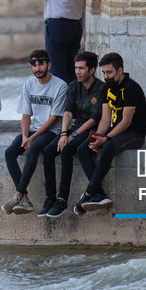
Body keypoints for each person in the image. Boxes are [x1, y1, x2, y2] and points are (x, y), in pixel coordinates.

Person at [73, 52, 146, 215]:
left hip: (133, 134)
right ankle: (99, 194)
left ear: (120, 70)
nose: (106, 76)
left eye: (109, 72)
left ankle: (88, 194)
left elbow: (126, 122)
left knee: (107, 148)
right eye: (104, 73)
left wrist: (106, 139)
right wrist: (97, 138)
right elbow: (105, 119)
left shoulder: (131, 88)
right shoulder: (107, 87)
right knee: (82, 149)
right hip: (115, 132)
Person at [39, 51, 105, 218]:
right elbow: (67, 112)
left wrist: (73, 135)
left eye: (82, 68)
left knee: (68, 150)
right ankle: (50, 199)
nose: (78, 72)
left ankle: (62, 199)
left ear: (92, 70)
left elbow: (95, 118)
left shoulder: (102, 88)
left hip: (92, 129)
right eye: (76, 68)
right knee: (48, 151)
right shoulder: (73, 86)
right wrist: (63, 134)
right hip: (75, 127)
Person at [1, 49, 67, 215]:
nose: (37, 68)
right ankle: (25, 199)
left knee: (35, 148)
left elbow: (53, 118)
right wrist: (25, 137)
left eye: (41, 64)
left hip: (52, 131)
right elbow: (26, 114)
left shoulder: (60, 86)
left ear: (49, 65)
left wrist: (32, 138)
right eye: (34, 65)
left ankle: (18, 194)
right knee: (10, 152)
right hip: (32, 129)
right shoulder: (28, 84)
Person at [31, 0, 86, 84]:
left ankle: (62, 101)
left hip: (58, 27)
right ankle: (73, 98)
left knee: (56, 67)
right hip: (76, 26)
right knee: (72, 67)